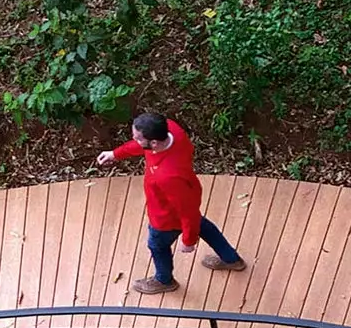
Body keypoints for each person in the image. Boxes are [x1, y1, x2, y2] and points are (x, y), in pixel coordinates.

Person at [98, 113, 247, 294]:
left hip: (166, 217)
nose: (134, 140)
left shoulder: (169, 176)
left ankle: (164, 280)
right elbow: (142, 147)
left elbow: (187, 211)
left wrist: (188, 240)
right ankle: (231, 259)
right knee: (203, 225)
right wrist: (115, 154)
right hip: (187, 191)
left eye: (137, 138)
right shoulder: (170, 129)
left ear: (154, 144)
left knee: (157, 245)